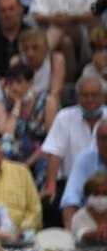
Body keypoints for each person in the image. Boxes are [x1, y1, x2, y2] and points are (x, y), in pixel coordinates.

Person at [42, 77, 104, 222]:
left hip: (104, 185)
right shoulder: (64, 117)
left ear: (103, 97)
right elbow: (54, 152)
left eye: (94, 95)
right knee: (50, 204)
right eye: (85, 95)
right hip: (72, 182)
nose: (89, 99)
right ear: (77, 98)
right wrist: (51, 186)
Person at [0, 63, 52, 181]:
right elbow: (7, 134)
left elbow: (52, 138)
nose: (14, 87)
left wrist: (27, 164)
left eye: (19, 82)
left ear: (30, 82)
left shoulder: (46, 101)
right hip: (17, 152)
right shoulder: (7, 103)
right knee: (5, 145)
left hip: (41, 152)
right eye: (10, 83)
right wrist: (17, 105)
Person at [59, 118, 107, 228]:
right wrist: (71, 234)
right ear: (96, 142)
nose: (106, 143)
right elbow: (71, 199)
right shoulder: (85, 159)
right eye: (103, 139)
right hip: (89, 225)